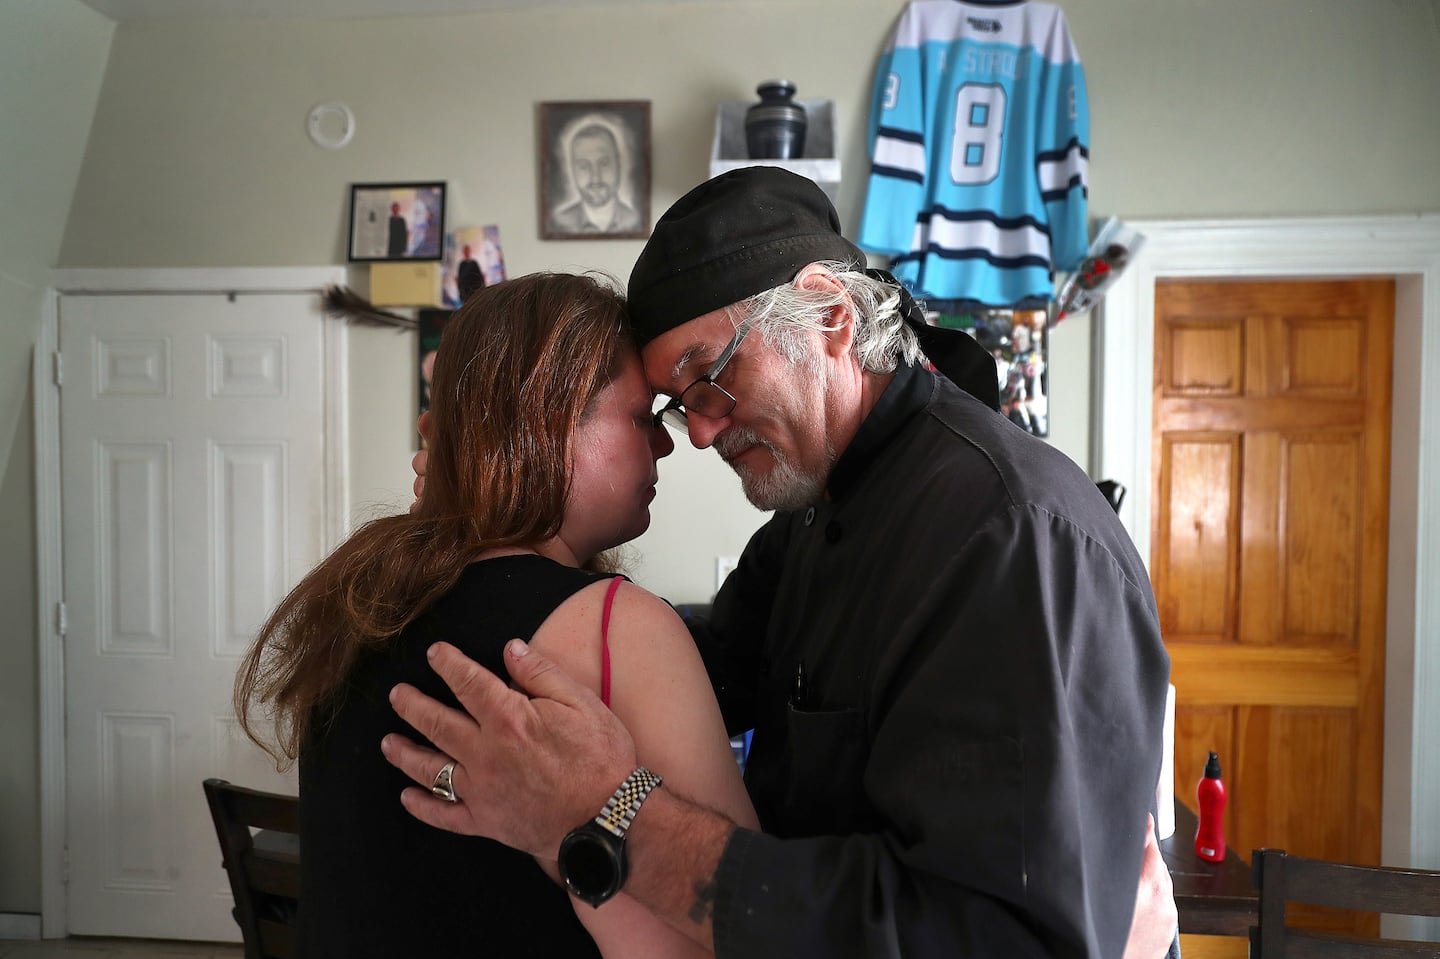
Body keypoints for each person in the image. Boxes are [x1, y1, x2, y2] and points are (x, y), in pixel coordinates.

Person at [384, 167, 1178, 958]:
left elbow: (981, 936)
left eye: (710, 376)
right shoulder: (815, 516)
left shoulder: (1009, 535)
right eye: (677, 400)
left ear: (831, 315)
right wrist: (493, 520)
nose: (697, 432)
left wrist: (608, 812)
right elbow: (681, 679)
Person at [234, 272, 758, 958]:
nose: (666, 445)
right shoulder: (615, 629)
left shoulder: (360, 604)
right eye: (641, 416)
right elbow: (735, 933)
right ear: (549, 416)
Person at [551, 122, 642, 234]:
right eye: (584, 166)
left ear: (618, 164)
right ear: (572, 169)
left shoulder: (634, 219)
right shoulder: (559, 221)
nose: (595, 177)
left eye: (604, 163)